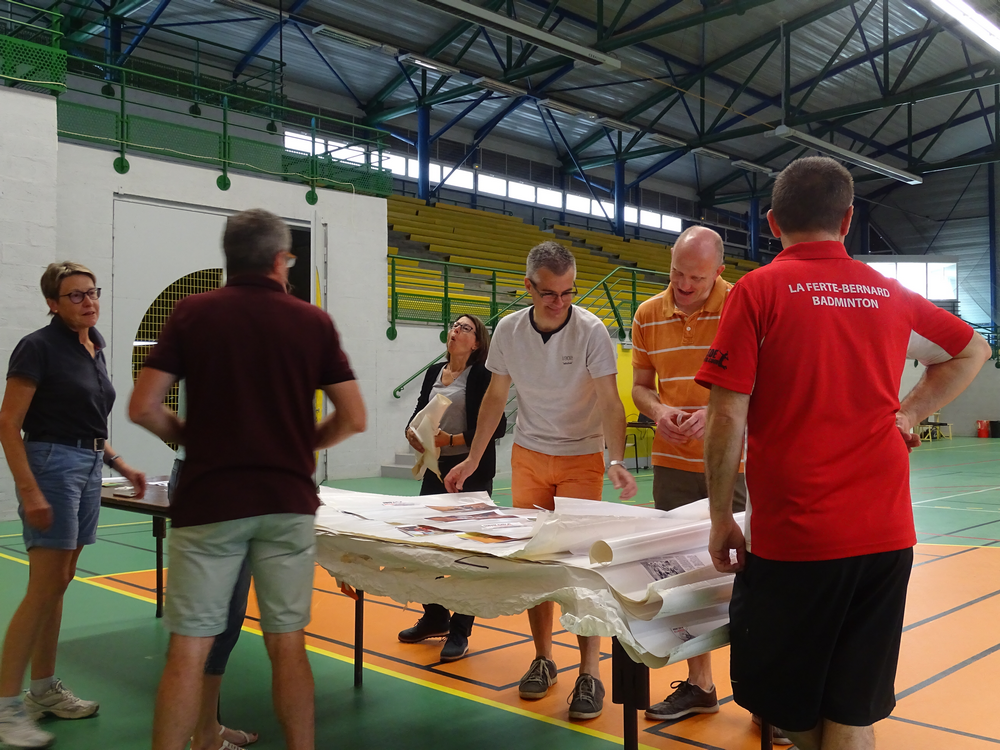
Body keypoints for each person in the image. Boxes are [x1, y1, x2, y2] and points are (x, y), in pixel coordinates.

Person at [697, 156, 991, 750]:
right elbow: (972, 350)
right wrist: (910, 411)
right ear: (848, 219)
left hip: (796, 540)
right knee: (853, 711)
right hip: (885, 536)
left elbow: (727, 416)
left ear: (772, 222)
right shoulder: (887, 291)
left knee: (791, 707)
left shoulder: (757, 290)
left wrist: (721, 516)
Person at [128, 208, 366, 750]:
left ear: (228, 260)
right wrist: (299, 445)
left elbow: (143, 406)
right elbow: (354, 417)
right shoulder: (313, 322)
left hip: (210, 502)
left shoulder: (192, 313)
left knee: (189, 648)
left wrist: (191, 436)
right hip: (286, 502)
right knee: (287, 644)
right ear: (282, 261)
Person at [445, 241, 638, 721]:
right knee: (536, 562)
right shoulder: (510, 331)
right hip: (530, 455)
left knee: (581, 568)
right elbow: (495, 398)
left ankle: (589, 672)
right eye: (550, 293)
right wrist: (472, 459)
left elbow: (609, 400)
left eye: (568, 292)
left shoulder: (591, 330)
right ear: (529, 287)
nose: (560, 302)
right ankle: (543, 658)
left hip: (581, 456)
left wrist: (616, 458)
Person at [630, 226, 783, 740]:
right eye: (677, 273)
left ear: (719, 271)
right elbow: (641, 387)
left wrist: (717, 416)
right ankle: (700, 685)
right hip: (672, 465)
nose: (684, 285)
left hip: (736, 464)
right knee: (684, 577)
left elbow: (768, 384)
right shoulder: (647, 314)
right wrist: (660, 413)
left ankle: (763, 697)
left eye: (696, 277)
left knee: (749, 579)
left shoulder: (745, 305)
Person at [0, 262, 147, 749]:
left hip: (87, 464)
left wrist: (119, 463)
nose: (88, 302)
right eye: (75, 295)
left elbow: (88, 420)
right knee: (42, 588)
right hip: (52, 464)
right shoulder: (38, 347)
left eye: (92, 292)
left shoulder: (94, 346)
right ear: (53, 303)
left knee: (60, 582)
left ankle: (43, 690)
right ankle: (5, 708)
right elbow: (8, 423)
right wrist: (29, 490)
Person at [399, 314, 506, 662]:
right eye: (455, 326)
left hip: (471, 472)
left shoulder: (482, 375)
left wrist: (452, 440)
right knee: (425, 545)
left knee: (466, 554)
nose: (456, 331)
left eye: (465, 328)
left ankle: (460, 630)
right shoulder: (434, 372)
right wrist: (412, 432)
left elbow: (497, 426)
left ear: (476, 343)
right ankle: (435, 616)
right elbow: (420, 411)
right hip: (436, 470)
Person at [168, 408, 258, 750]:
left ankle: (206, 727)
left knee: (218, 620)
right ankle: (202, 734)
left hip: (225, 476)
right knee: (208, 623)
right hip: (218, 479)